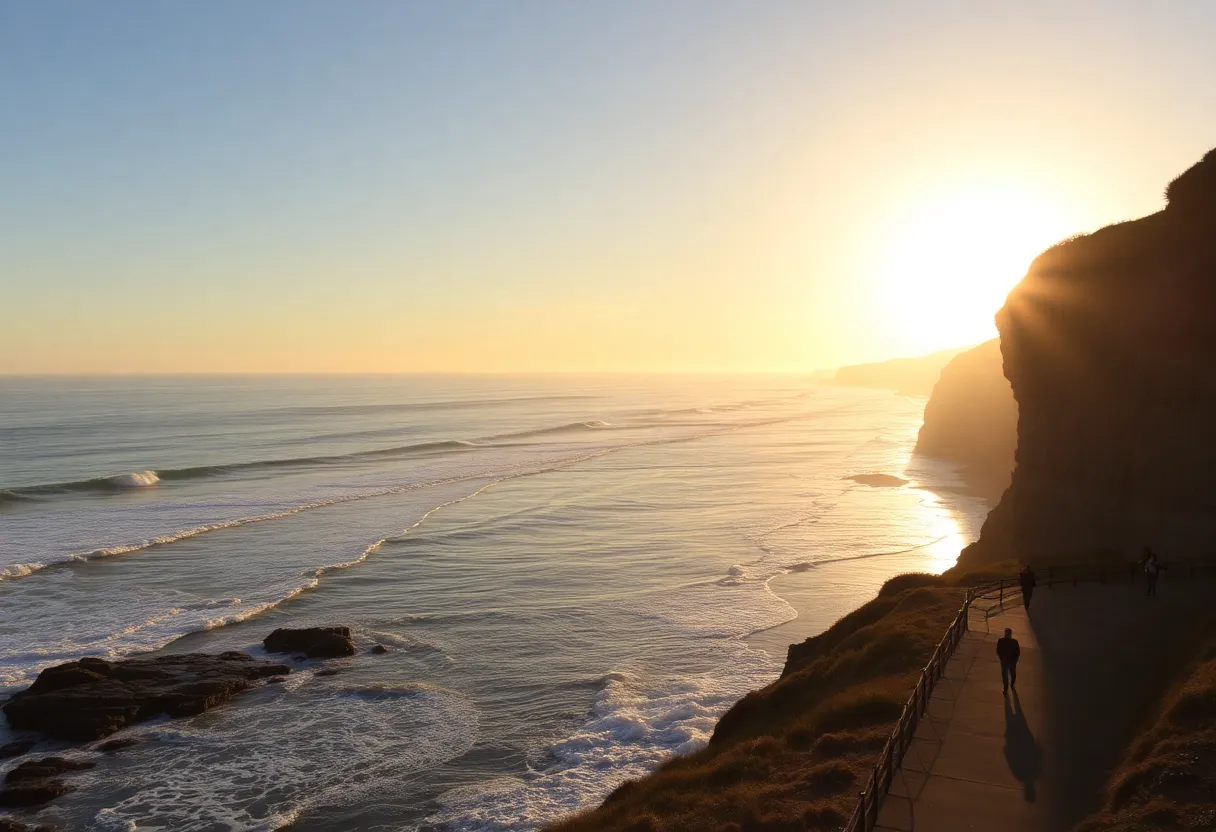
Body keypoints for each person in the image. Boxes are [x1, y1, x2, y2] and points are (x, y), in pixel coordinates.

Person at [997, 627, 1021, 695]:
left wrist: (1015, 660)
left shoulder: (1015, 642)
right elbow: (998, 650)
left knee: (1013, 674)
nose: (1007, 634)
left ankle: (1012, 684)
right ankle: (1005, 689)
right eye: (1006, 633)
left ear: (1010, 634)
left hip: (1012, 662)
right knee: (1005, 676)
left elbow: (1018, 652)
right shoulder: (1001, 641)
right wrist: (1001, 658)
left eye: (1008, 633)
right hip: (1004, 661)